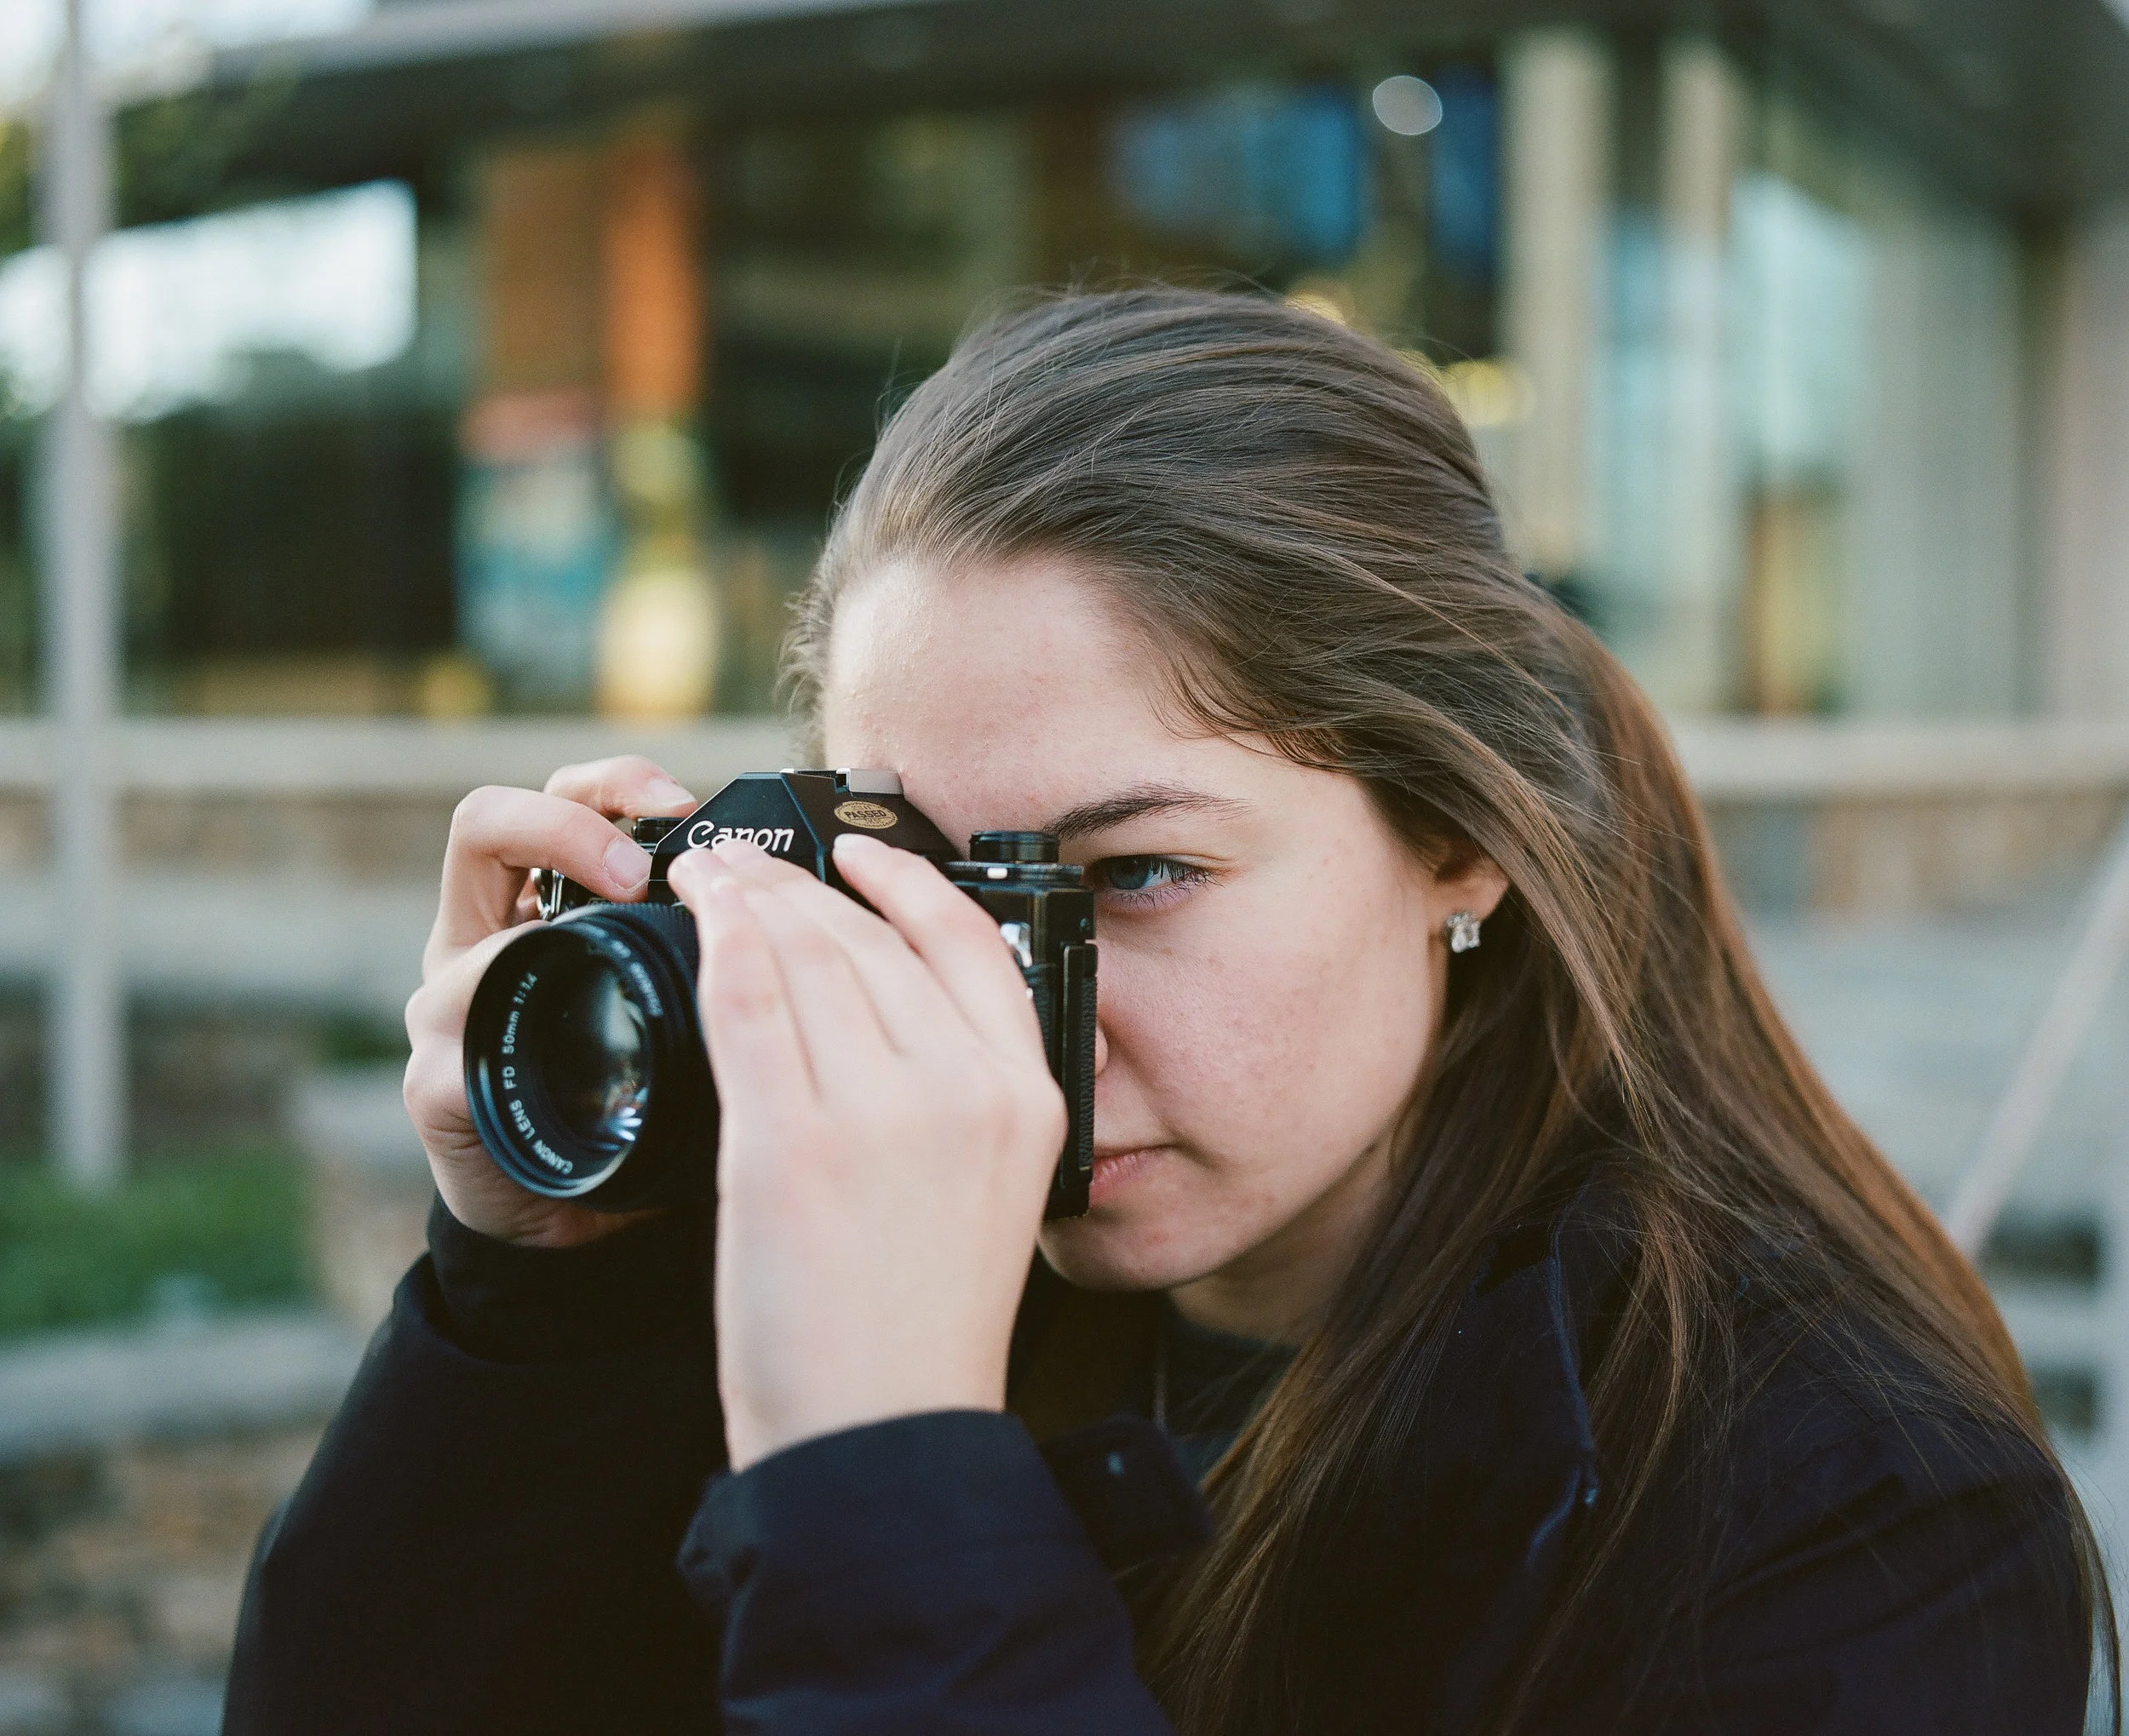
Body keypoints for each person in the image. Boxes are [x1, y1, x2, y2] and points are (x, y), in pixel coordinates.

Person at [225, 289, 2108, 1735]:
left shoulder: (1843, 1508)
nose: (1007, 1014)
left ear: (1462, 841)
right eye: (933, 885)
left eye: (1127, 879)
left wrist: (887, 1478)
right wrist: (543, 1292)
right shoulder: (830, 1256)